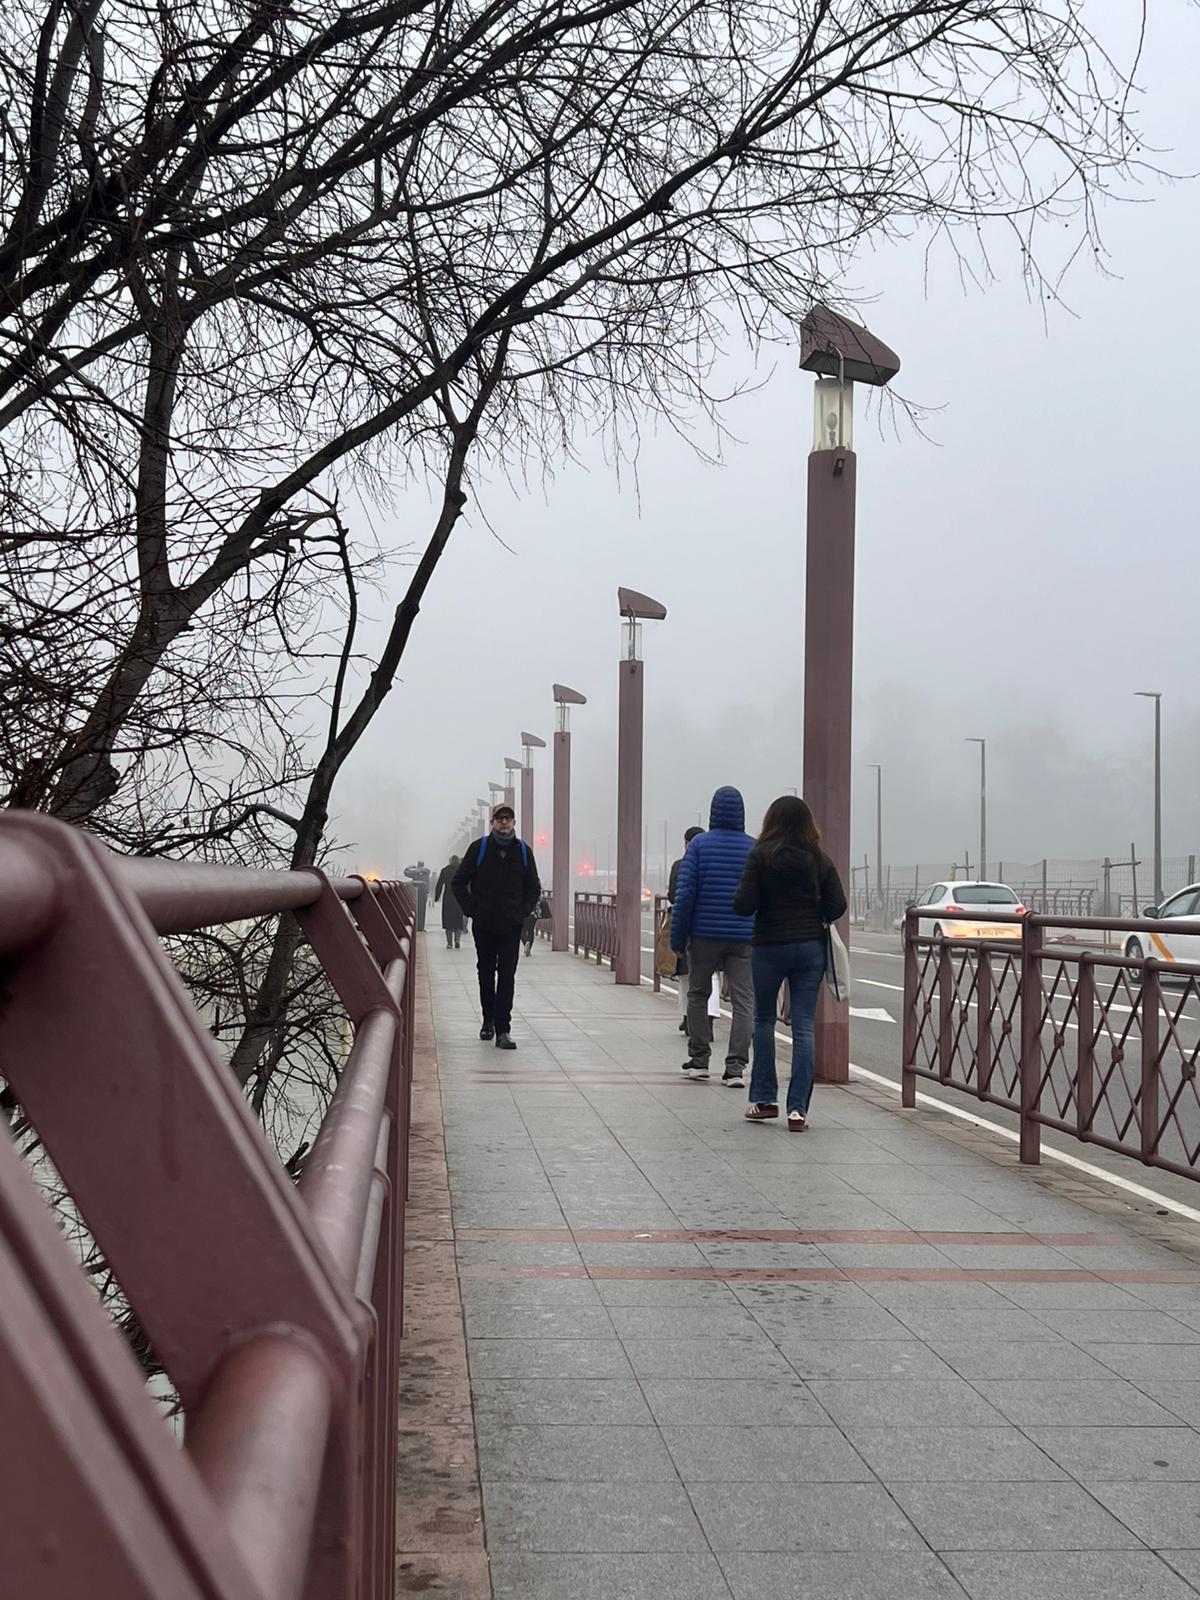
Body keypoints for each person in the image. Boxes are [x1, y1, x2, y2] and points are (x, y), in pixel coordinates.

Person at [733, 794, 847, 1131]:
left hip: (769, 946)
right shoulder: (818, 859)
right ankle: (798, 1110)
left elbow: (743, 905)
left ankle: (765, 1100)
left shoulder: (760, 856)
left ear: (771, 821)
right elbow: (837, 904)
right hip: (809, 947)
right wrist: (815, 916)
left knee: (764, 1020)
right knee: (804, 1025)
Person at [670, 786, 755, 1086]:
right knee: (745, 1000)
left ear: (713, 811)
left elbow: (685, 896)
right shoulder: (752, 847)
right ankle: (735, 1068)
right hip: (743, 936)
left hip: (703, 934)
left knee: (698, 993)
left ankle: (699, 1059)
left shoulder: (699, 846)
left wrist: (677, 938)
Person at [452, 805, 541, 1050]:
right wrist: (472, 909)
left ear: (514, 822)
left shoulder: (523, 851)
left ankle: (503, 1029)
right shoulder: (479, 849)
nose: (504, 822)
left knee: (507, 975)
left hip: (511, 925)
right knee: (486, 972)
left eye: (508, 819)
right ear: (492, 822)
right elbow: (458, 881)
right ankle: (488, 1020)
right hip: (485, 924)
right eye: (500, 819)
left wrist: (521, 911)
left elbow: (534, 887)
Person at [667, 826, 719, 1038]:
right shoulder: (714, 862)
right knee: (713, 976)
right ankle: (710, 1018)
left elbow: (674, 896)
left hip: (690, 926)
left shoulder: (680, 865)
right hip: (714, 925)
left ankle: (689, 1020)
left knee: (686, 977)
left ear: (687, 843)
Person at [435, 856, 467, 949]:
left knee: (448, 921)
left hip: (448, 897)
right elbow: (468, 883)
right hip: (459, 897)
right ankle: (457, 940)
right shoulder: (463, 870)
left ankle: (449, 943)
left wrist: (437, 897)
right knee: (458, 920)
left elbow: (439, 884)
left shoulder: (445, 870)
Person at [403, 859, 432, 931]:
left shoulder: (415, 872)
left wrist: (409, 867)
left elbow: (405, 873)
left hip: (417, 892)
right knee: (423, 910)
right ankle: (421, 927)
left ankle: (416, 926)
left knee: (416, 909)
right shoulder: (427, 871)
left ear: (418, 865)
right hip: (424, 892)